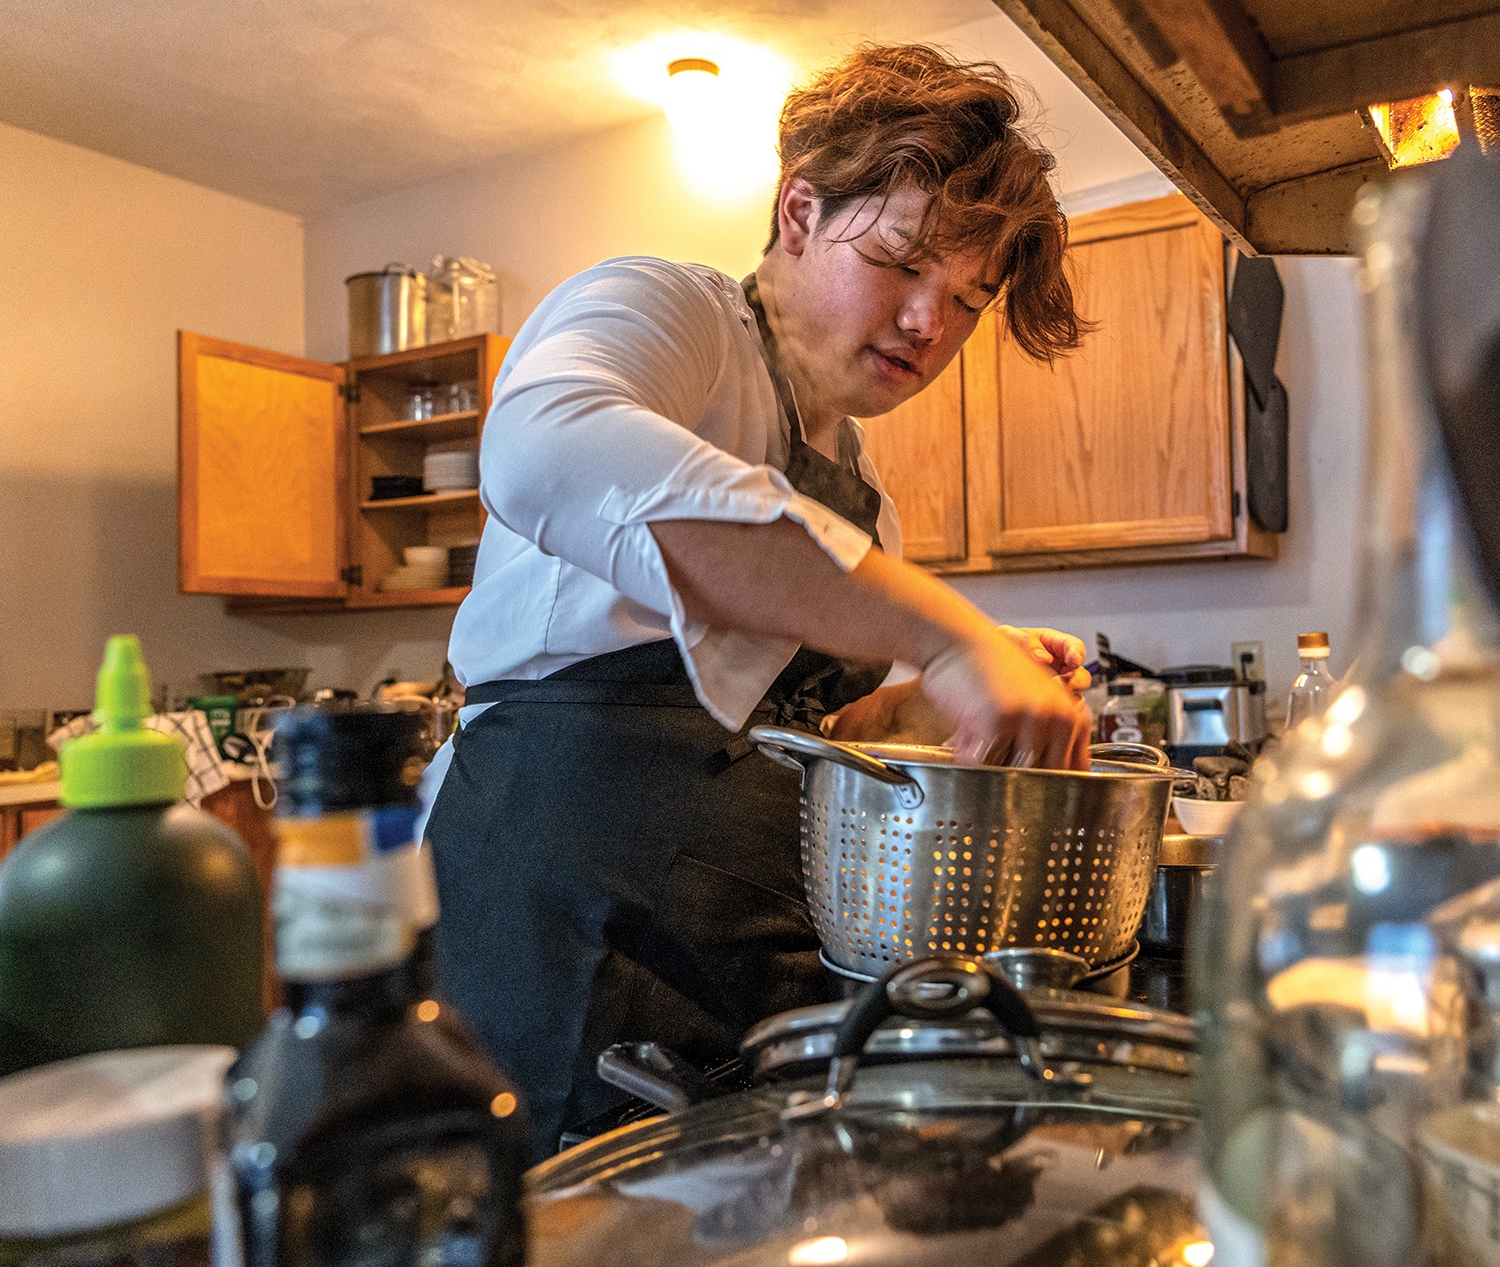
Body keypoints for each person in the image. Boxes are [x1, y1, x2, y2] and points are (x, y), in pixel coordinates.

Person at [423, 43, 1097, 1159]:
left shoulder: (866, 492)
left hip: (742, 952)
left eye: (968, 300)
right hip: (556, 916)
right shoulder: (664, 311)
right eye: (899, 263)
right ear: (798, 213)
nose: (931, 325)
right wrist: (943, 629)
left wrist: (924, 700)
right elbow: (545, 451)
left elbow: (777, 736)